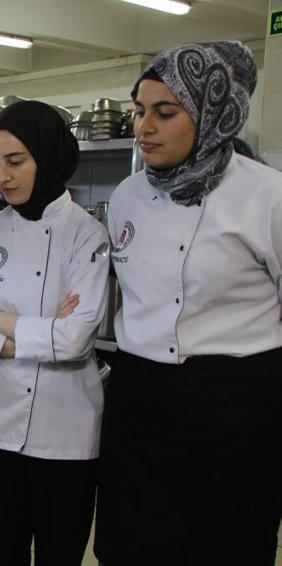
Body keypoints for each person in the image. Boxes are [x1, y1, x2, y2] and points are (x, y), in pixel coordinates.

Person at [94, 41, 282, 566]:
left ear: (212, 113)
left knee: (224, 544)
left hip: (237, 406)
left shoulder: (268, 197)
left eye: (165, 112)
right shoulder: (129, 195)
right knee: (129, 541)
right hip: (141, 398)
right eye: (138, 111)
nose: (143, 127)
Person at [0, 100, 109, 566]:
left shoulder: (87, 234)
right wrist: (44, 335)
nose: (3, 176)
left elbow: (78, 338)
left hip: (66, 430)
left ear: (49, 155)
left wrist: (2, 322)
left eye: (16, 161)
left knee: (59, 552)